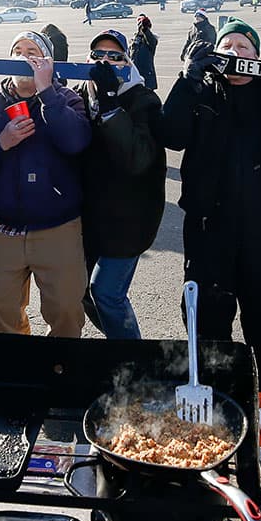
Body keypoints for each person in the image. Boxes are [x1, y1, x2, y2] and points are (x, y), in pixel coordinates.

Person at [158, 18, 261, 394]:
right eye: (228, 46)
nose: (235, 53)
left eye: (244, 47)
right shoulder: (201, 90)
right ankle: (213, 381)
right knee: (207, 309)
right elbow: (170, 134)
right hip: (209, 225)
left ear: (257, 56)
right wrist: (186, 81)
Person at [0, 31, 91, 336]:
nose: (23, 57)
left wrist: (47, 92)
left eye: (32, 51)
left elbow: (76, 142)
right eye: (17, 50)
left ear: (47, 61)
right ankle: (17, 370)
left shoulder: (67, 98)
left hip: (57, 226)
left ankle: (59, 371)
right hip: (4, 228)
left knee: (66, 311)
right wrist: (1, 143)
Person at [75, 29, 166, 339]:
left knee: (106, 292)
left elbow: (139, 158)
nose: (106, 61)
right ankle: (119, 345)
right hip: (89, 217)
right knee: (84, 293)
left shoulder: (143, 101)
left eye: (115, 56)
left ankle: (134, 358)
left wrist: (111, 103)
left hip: (130, 218)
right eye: (98, 55)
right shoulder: (77, 96)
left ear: (128, 62)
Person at [130, 14, 158, 91]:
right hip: (135, 72)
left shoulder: (151, 39)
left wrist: (145, 29)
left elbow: (150, 39)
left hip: (146, 72)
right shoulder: (135, 39)